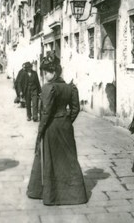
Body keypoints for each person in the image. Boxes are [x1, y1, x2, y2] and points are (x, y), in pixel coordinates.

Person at [27, 52, 87, 205]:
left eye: (46, 72)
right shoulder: (70, 87)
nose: (44, 75)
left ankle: (51, 194)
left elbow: (46, 113)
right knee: (69, 158)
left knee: (51, 159)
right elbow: (76, 109)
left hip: (52, 127)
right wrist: (66, 121)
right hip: (65, 126)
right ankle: (75, 195)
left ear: (53, 72)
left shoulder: (49, 87)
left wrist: (41, 130)